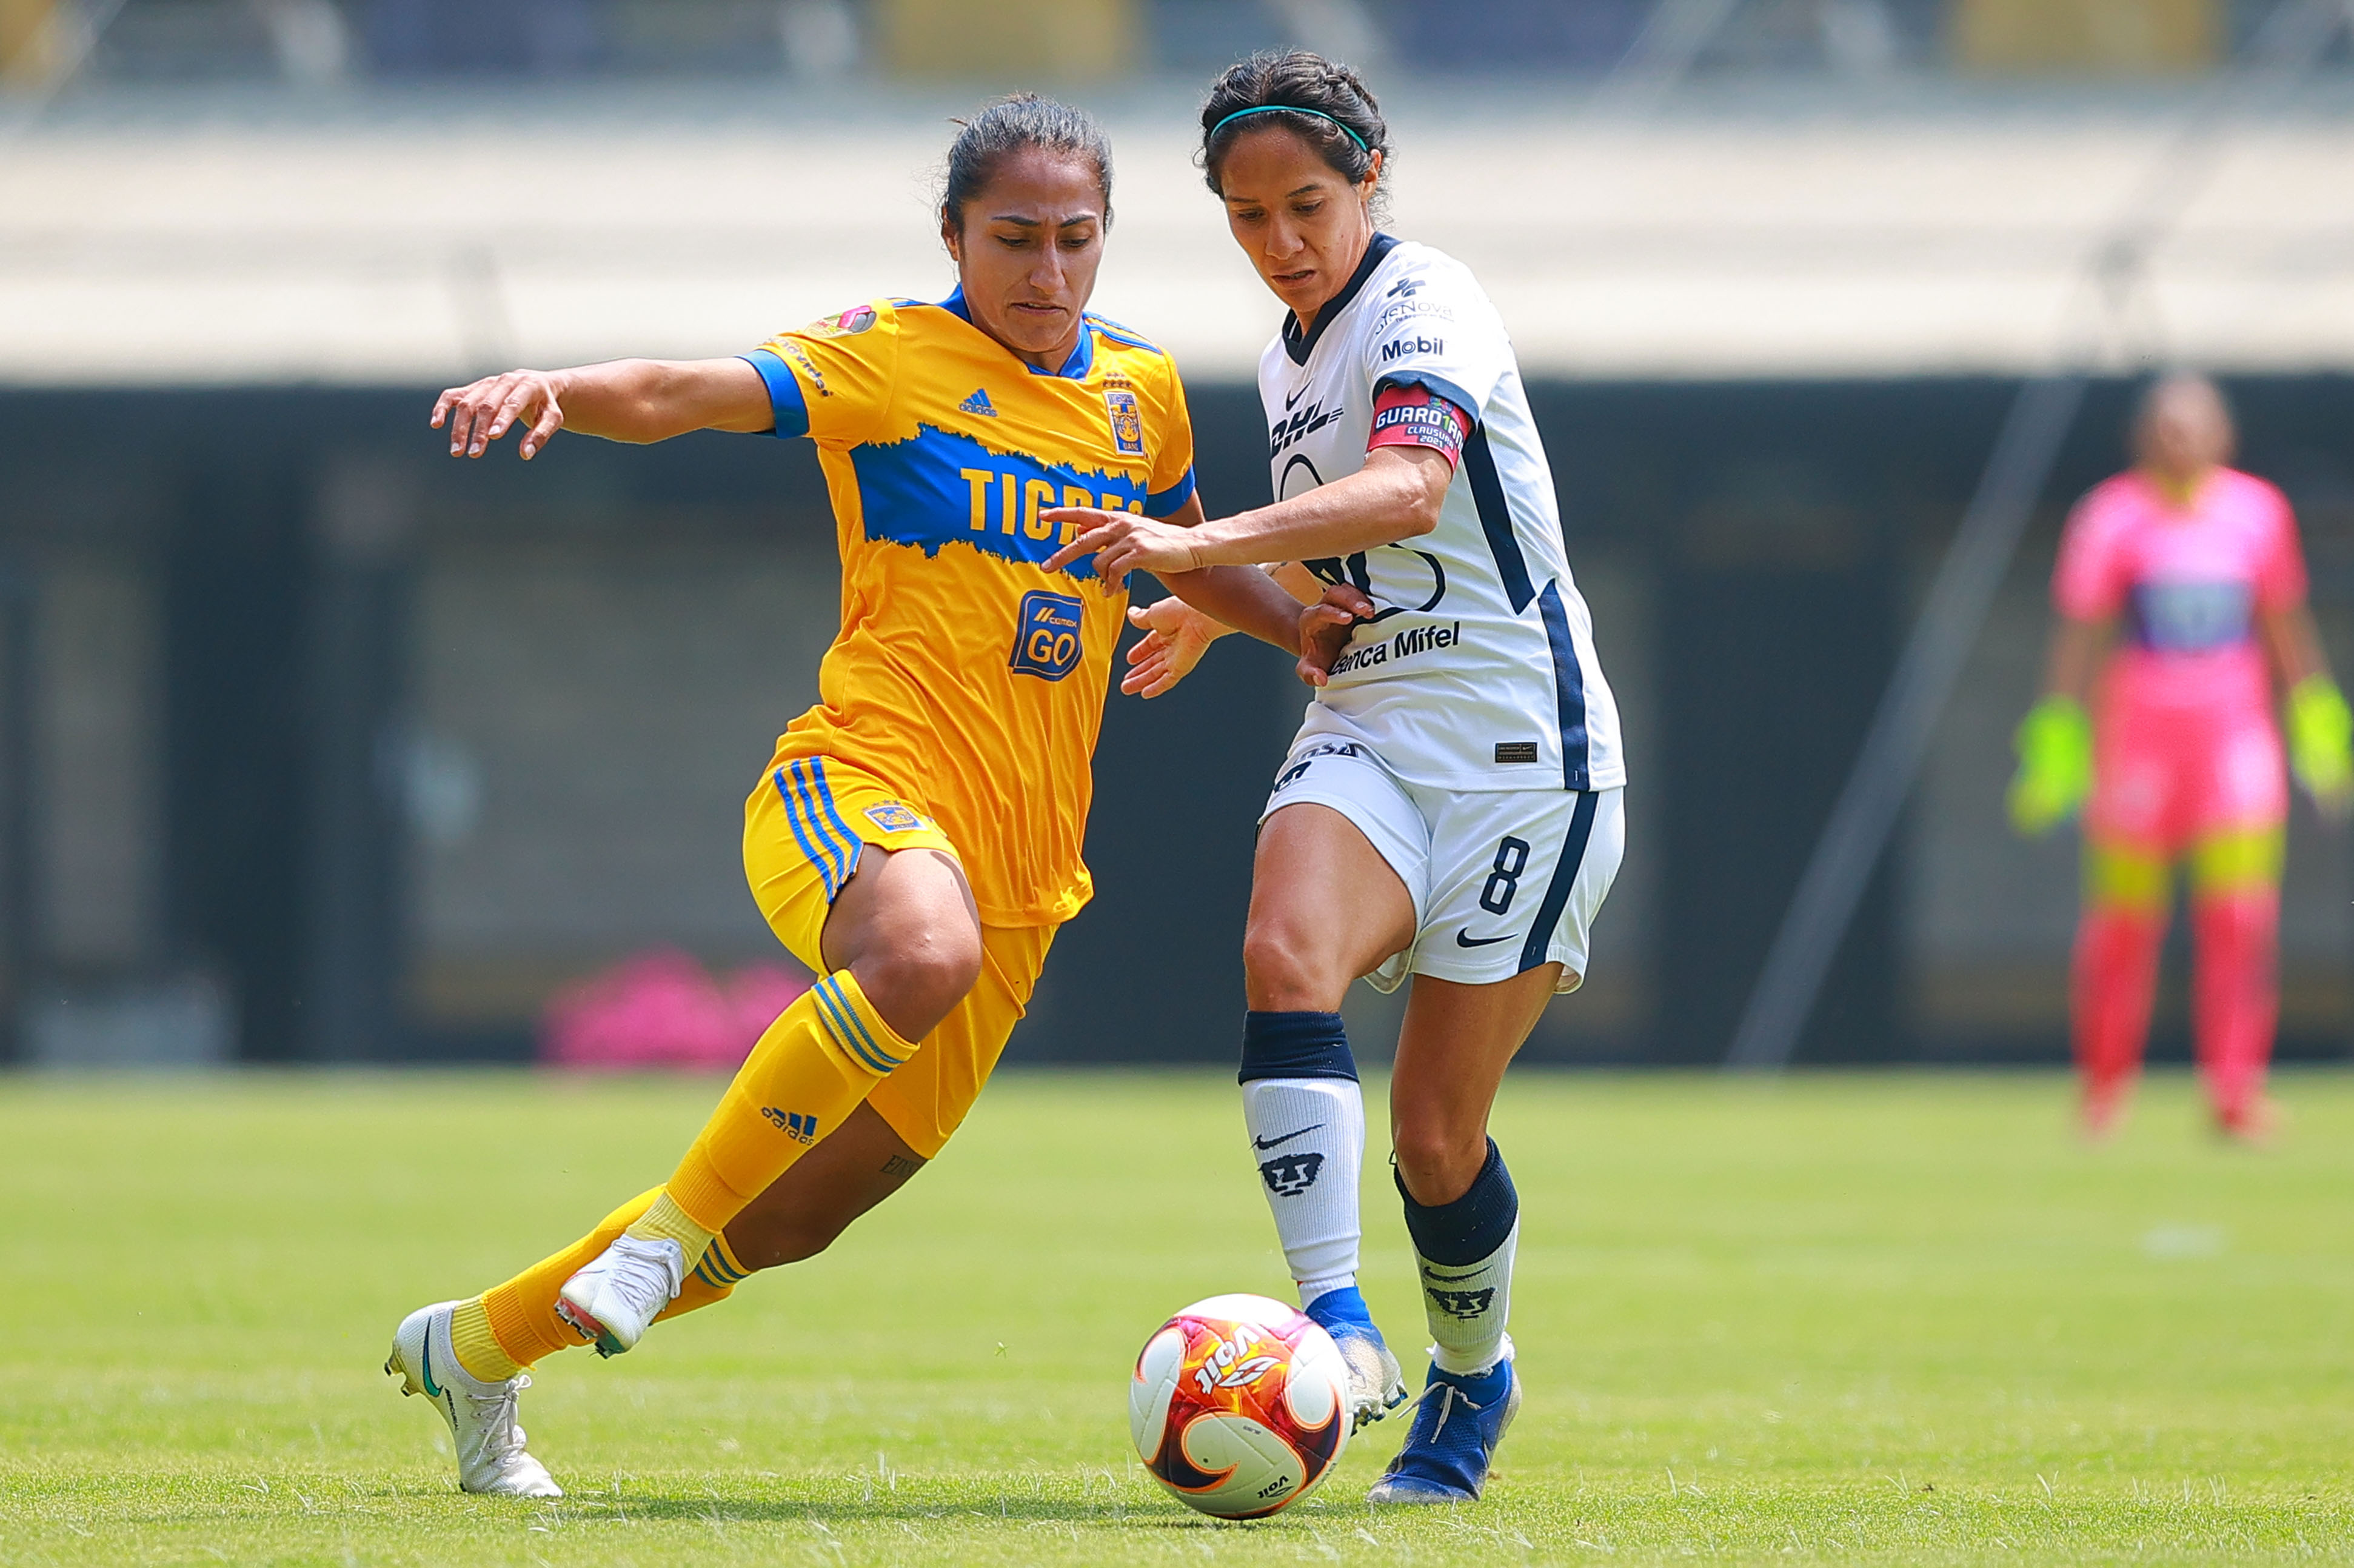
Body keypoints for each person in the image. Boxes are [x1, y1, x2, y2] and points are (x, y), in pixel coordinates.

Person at [383, 95, 1319, 1497]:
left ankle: (473, 1349)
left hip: (1024, 866)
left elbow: (1183, 555)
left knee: (792, 1220)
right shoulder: (887, 359)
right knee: (911, 955)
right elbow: (688, 392)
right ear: (953, 234)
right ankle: (655, 1236)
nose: (1047, 272)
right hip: (860, 780)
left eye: (1075, 239)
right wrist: (555, 391)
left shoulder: (1141, 391)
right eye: (1013, 237)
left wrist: (1296, 624)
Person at [1048, 51, 1626, 1504]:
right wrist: (1232, 592)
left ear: (1370, 180)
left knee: (1435, 1137)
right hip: (1369, 712)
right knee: (1279, 946)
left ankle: (1469, 1374)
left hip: (1517, 749)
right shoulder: (1280, 354)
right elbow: (1338, 555)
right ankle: (1340, 1326)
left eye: (1305, 202)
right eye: (1246, 217)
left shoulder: (1427, 298)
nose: (1279, 239)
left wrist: (1194, 545)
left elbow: (1411, 488)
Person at [2008, 373, 2352, 1143]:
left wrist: (2317, 725)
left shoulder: (2257, 515)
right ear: (2142, 438)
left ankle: (2234, 1093)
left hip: (2232, 745)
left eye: (2194, 426)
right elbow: (2079, 637)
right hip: (2139, 747)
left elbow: (2284, 626)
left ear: (2222, 436)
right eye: (2165, 427)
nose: (2179, 440)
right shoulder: (2109, 520)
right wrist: (2057, 743)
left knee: (2238, 921)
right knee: (2122, 926)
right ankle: (2103, 1091)